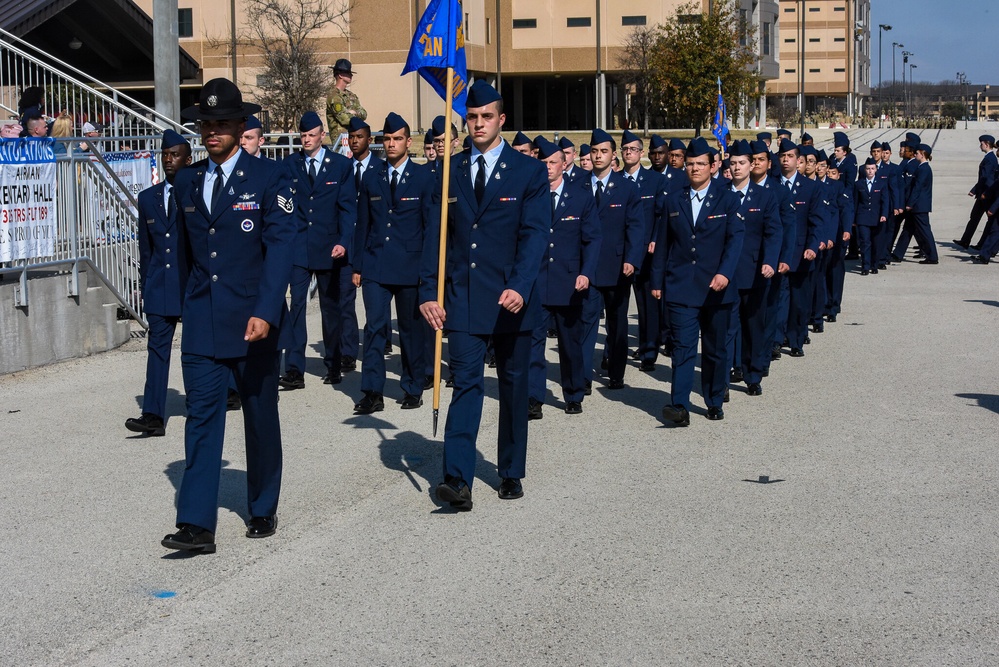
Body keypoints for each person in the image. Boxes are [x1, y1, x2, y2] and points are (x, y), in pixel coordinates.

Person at [161, 78, 296, 553]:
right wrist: (172, 308)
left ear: (241, 127)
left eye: (222, 123)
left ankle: (262, 505)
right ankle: (196, 523)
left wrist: (265, 311)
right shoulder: (188, 180)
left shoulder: (270, 178)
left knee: (259, 416)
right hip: (202, 319)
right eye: (206, 124)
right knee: (201, 419)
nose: (213, 131)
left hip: (252, 321)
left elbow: (280, 248)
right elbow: (182, 254)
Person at [419, 80, 548, 511]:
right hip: (464, 298)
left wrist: (521, 284)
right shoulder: (448, 170)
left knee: (512, 386)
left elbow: (535, 234)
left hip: (511, 299)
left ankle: (510, 470)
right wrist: (426, 291)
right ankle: (457, 478)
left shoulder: (527, 171)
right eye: (471, 117)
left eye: (486, 116)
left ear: (501, 120)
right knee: (467, 385)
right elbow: (434, 239)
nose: (478, 124)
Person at [651, 137, 744, 424]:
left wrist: (725, 273)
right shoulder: (673, 199)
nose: (694, 169)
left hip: (716, 288)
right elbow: (663, 243)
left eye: (700, 164)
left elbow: (735, 239)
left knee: (715, 350)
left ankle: (714, 399)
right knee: (682, 349)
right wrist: (657, 281)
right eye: (690, 164)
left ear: (713, 166)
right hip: (681, 286)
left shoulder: (727, 198)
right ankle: (678, 405)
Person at [352, 113, 433, 413]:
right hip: (376, 264)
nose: (391, 144)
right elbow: (363, 224)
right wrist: (357, 265)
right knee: (375, 327)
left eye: (397, 138)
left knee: (412, 330)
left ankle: (413, 385)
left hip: (411, 267)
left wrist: (429, 271)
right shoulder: (371, 177)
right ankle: (372, 391)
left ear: (408, 142)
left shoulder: (424, 177)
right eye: (387, 139)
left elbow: (429, 228)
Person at [279, 111, 357, 390]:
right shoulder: (290, 165)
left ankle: (334, 363)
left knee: (330, 308)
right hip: (299, 247)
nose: (307, 140)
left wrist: (344, 241)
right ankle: (294, 369)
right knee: (296, 307)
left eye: (312, 135)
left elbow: (348, 209)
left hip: (329, 247)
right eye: (303, 135)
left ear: (322, 136)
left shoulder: (339, 166)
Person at [125, 131, 193, 438]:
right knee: (157, 350)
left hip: (191, 286)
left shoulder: (196, 193)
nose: (169, 159)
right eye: (165, 154)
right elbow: (146, 249)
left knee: (197, 350)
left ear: (188, 159)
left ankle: (206, 400)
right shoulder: (148, 198)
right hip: (160, 287)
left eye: (175, 154)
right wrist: (146, 284)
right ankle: (152, 414)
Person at [528, 138, 601, 419]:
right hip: (536, 282)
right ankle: (534, 397)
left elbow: (593, 239)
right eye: (543, 163)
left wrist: (586, 273)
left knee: (571, 344)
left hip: (569, 283)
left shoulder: (581, 196)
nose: (548, 168)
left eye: (553, 162)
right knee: (534, 344)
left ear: (563, 163)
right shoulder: (530, 196)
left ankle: (573, 393)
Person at [580, 128, 644, 391]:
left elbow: (636, 227)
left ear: (613, 154)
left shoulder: (627, 188)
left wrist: (632, 259)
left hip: (617, 268)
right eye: (594, 151)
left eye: (603, 151)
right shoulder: (579, 185)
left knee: (617, 324)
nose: (598, 156)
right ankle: (581, 378)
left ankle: (616, 373)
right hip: (587, 268)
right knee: (585, 324)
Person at [724, 139, 780, 397]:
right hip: (725, 273)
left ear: (751, 165)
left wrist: (769, 261)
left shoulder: (765, 196)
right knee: (725, 329)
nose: (737, 168)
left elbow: (773, 231)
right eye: (733, 163)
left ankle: (752, 374)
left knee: (753, 327)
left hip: (755, 272)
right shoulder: (720, 192)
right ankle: (721, 380)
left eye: (742, 163)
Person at [620, 129, 667, 372]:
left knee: (647, 303)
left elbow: (661, 215)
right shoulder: (616, 180)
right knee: (618, 304)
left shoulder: (655, 181)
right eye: (625, 150)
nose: (629, 153)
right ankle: (614, 350)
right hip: (621, 253)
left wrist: (656, 239)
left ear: (641, 153)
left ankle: (650, 349)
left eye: (633, 149)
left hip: (647, 252)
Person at [893, 143, 938, 265]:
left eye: (917, 153)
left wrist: (910, 203)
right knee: (907, 229)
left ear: (922, 154)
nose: (915, 155)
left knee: (925, 231)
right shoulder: (921, 167)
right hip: (918, 206)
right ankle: (898, 254)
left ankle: (932, 256)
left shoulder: (923, 168)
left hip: (919, 206)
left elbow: (918, 188)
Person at [954, 135, 998, 249]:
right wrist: (974, 190)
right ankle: (965, 241)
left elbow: (987, 178)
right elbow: (983, 178)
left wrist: (984, 193)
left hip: (986, 195)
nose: (980, 146)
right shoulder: (989, 158)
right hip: (981, 194)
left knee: (990, 222)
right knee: (974, 218)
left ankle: (983, 245)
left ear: (987, 144)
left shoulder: (990, 159)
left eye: (981, 143)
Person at [854, 157, 889, 275]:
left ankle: (874, 264)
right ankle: (865, 266)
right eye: (868, 168)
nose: (870, 171)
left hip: (877, 217)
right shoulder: (858, 184)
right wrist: (854, 219)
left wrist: (884, 215)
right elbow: (855, 202)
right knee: (865, 242)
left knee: (876, 242)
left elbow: (885, 201)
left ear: (876, 170)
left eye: (872, 169)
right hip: (863, 217)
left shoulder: (881, 184)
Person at [326, 58, 366, 156]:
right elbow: (344, 118)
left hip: (354, 141)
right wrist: (353, 113)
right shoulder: (334, 96)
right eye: (348, 73)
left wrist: (354, 112)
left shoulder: (351, 95)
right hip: (341, 144)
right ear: (340, 75)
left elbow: (364, 114)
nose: (351, 75)